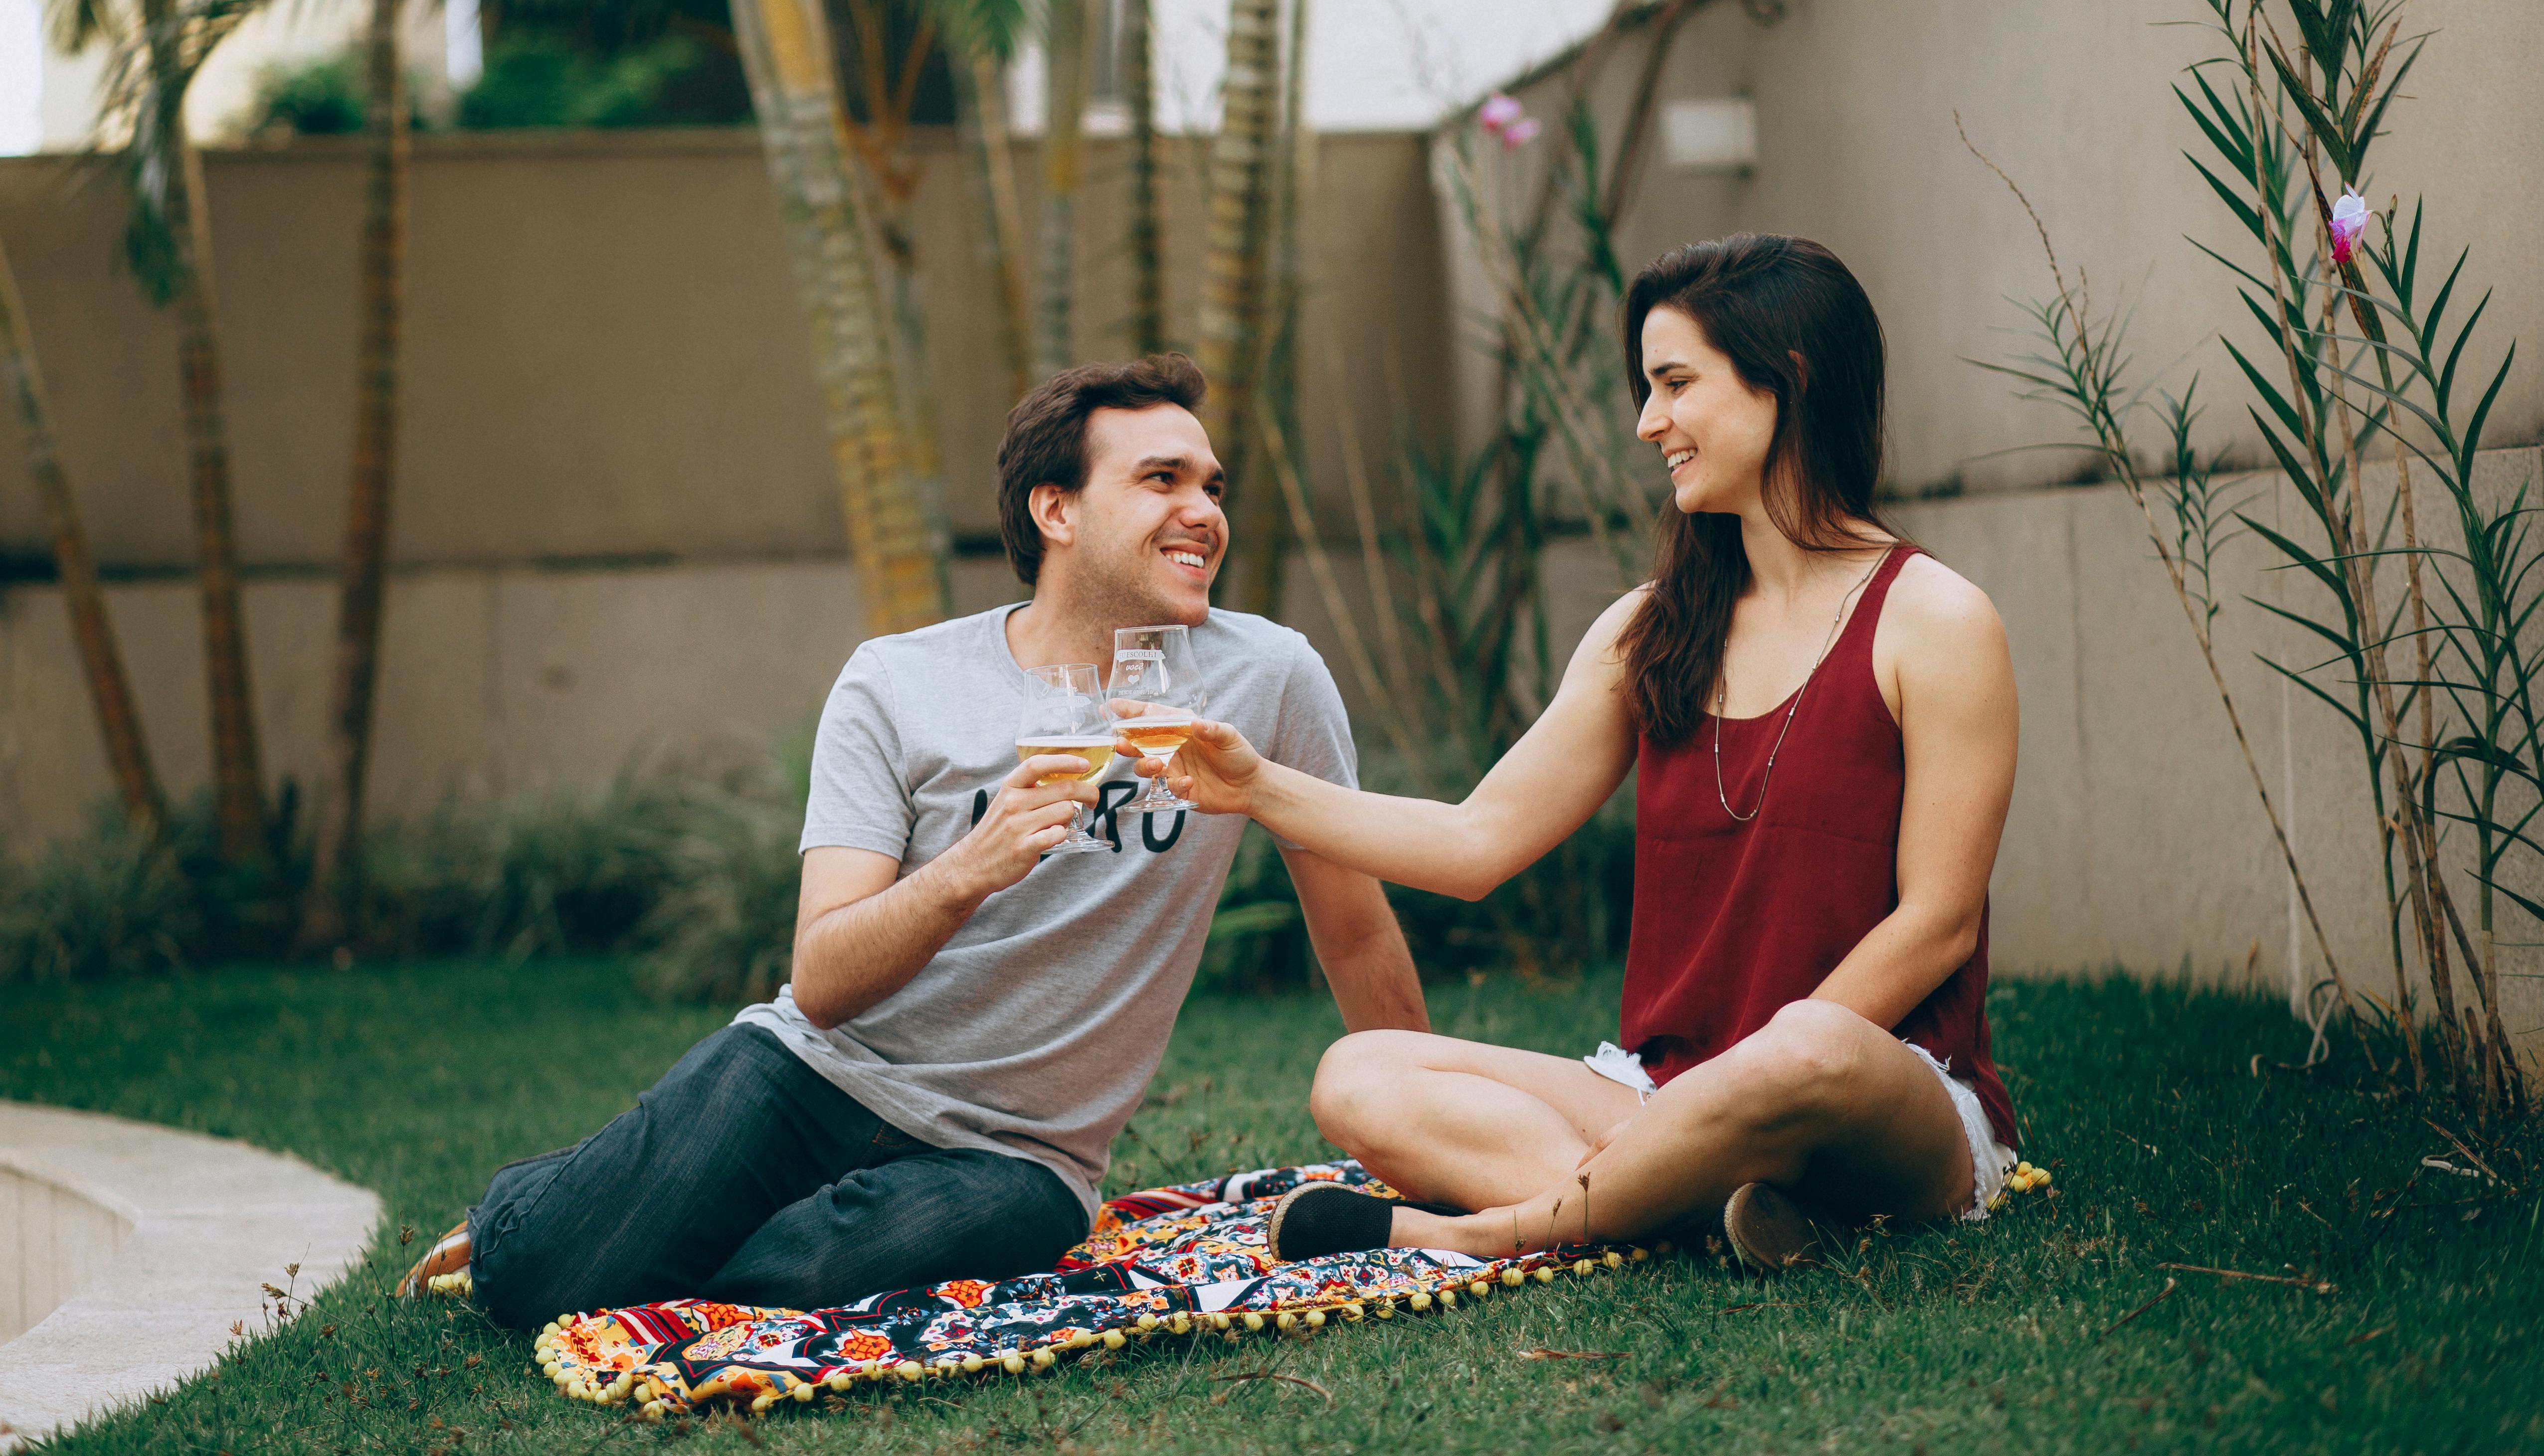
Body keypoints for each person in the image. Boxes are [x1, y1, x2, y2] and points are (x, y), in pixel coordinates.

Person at [399, 354, 1428, 1326]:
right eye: (1162, 479)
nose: (1203, 511)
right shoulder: (898, 682)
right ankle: (544, 1206)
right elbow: (824, 982)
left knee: (787, 1281)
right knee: (540, 1277)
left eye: (1210, 485)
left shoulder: (1267, 678)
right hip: (812, 1077)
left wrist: (1427, 1143)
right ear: (1055, 508)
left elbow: (1353, 929)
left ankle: (650, 1204)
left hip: (1017, 1160)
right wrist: (969, 871)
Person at [1124, 236, 2021, 1272]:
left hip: (1883, 1085)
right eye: (1648, 390)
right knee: (1357, 1075)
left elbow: (1937, 924)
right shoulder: (1651, 628)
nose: (1650, 425)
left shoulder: (1936, 620)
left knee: (1811, 1050)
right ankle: (1714, 1198)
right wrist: (1255, 787)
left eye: (1676, 384)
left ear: (1791, 380)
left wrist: (1747, 1078)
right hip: (1659, 1087)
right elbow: (1476, 841)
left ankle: (1493, 1230)